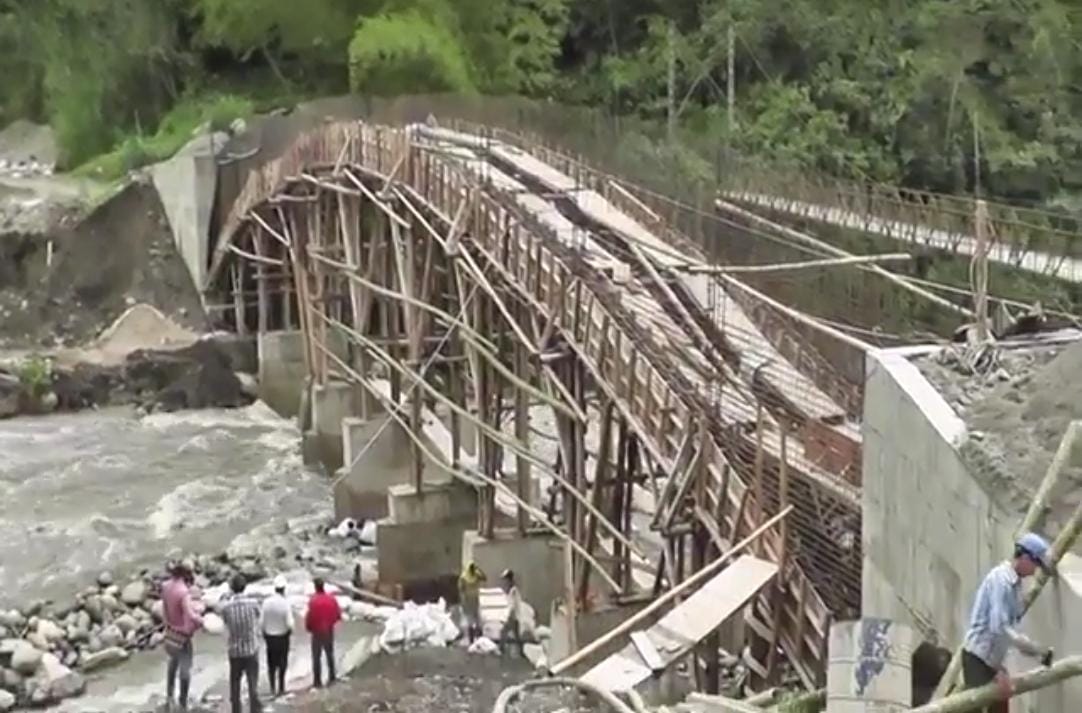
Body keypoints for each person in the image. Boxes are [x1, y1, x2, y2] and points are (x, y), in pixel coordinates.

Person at [961, 532, 1055, 713]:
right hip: (978, 658)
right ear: (1025, 557)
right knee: (974, 708)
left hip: (991, 660)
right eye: (1036, 564)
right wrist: (1032, 648)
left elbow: (1009, 628)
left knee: (1000, 707)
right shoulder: (1001, 581)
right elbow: (999, 627)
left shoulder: (1016, 584)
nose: (1035, 570)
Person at [161, 560, 202, 711]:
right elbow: (190, 615)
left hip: (170, 634)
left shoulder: (165, 586)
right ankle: (182, 702)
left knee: (172, 664)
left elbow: (164, 610)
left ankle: (169, 696)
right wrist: (202, 621)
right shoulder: (183, 591)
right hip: (182, 637)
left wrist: (168, 624)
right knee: (185, 671)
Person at [220, 574, 263, 713]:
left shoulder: (226, 608)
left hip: (235, 650)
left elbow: (226, 624)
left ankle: (236, 710)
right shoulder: (253, 604)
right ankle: (254, 708)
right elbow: (258, 618)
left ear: (232, 588)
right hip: (251, 648)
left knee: (235, 684)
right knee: (252, 683)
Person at [260, 575, 293, 698]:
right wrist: (290, 631)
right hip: (283, 637)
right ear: (284, 589)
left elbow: (261, 622)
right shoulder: (285, 603)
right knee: (282, 663)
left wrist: (264, 633)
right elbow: (290, 623)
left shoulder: (266, 602)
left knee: (271, 664)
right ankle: (281, 687)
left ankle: (272, 688)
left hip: (270, 637)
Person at [305, 577, 341, 688]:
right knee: (329, 654)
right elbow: (337, 615)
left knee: (316, 657)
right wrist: (331, 623)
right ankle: (332, 677)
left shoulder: (313, 601)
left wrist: (309, 627)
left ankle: (317, 681)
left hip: (317, 632)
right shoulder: (331, 599)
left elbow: (310, 617)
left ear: (315, 587)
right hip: (328, 631)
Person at [458, 561, 487, 642]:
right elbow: (461, 590)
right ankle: (472, 640)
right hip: (468, 601)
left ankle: (480, 639)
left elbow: (484, 578)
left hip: (475, 600)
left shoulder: (476, 574)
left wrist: (479, 570)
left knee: (478, 620)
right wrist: (463, 602)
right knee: (470, 621)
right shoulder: (463, 577)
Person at [499, 569, 523, 658]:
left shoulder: (513, 590)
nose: (504, 582)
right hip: (514, 616)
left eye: (505, 579)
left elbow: (513, 605)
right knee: (516, 636)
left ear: (509, 579)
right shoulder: (512, 590)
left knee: (503, 632)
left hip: (512, 616)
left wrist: (508, 616)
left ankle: (501, 651)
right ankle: (521, 653)